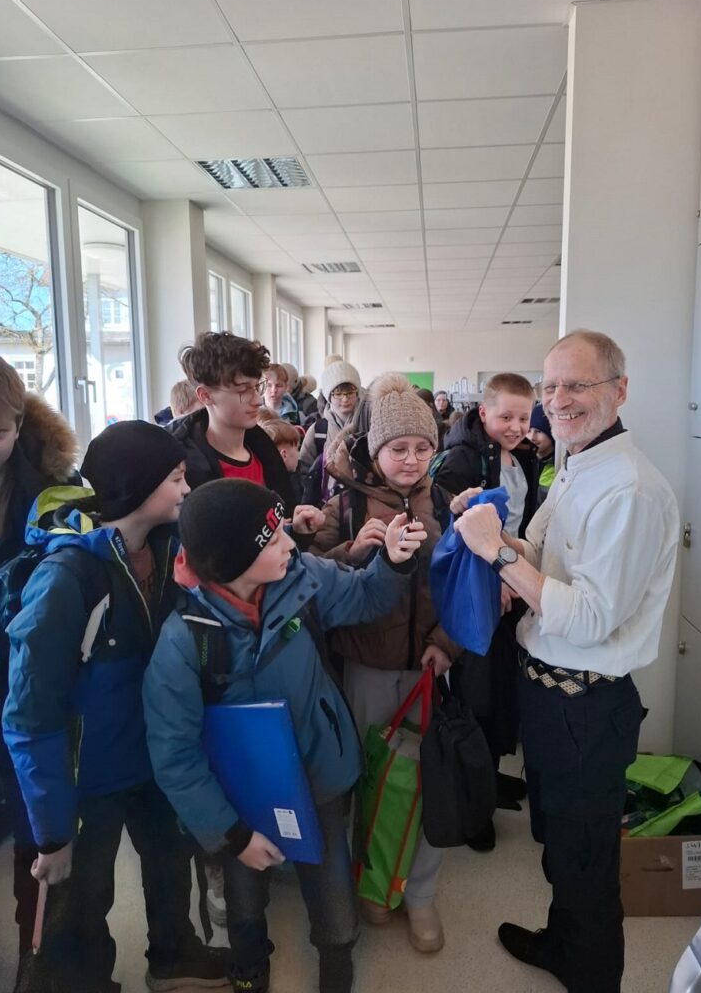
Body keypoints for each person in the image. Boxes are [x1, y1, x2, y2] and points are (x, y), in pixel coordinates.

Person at [452, 330, 679, 993]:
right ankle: (563, 944)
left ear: (619, 390)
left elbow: (589, 617)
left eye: (576, 384)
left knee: (585, 861)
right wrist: (494, 528)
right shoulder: (579, 463)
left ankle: (593, 974)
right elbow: (546, 560)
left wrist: (497, 554)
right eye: (550, 386)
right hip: (549, 695)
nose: (558, 400)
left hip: (586, 705)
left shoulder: (630, 489)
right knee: (558, 843)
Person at [143, 478, 426, 993]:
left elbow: (367, 597)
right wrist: (232, 836)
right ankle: (250, 967)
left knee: (332, 889)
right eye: (272, 539)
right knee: (245, 896)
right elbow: (174, 755)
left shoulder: (303, 578)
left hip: (317, 773)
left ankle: (336, 963)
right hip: (238, 797)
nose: (289, 544)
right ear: (231, 562)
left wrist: (392, 562)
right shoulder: (184, 641)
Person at [2, 421, 229, 993]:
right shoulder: (66, 577)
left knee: (170, 866)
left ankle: (173, 956)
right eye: (175, 478)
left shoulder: (169, 549)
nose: (186, 489)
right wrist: (52, 831)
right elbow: (30, 715)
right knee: (83, 900)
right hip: (89, 779)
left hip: (153, 757)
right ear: (134, 488)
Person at [309, 373, 460, 954]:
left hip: (429, 666)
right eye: (399, 447)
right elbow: (309, 579)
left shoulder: (444, 503)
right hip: (366, 664)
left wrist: (447, 643)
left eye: (423, 447)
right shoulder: (344, 505)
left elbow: (465, 587)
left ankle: (420, 892)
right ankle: (373, 881)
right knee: (368, 777)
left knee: (424, 780)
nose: (411, 459)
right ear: (375, 449)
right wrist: (354, 550)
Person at [0, 350, 79, 983]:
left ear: (19, 425)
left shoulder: (55, 491)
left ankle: (37, 960)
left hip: (25, 685)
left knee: (37, 827)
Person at [434, 373, 539, 847]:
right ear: (483, 413)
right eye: (505, 417)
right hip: (484, 590)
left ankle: (491, 779)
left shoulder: (523, 455)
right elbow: (454, 533)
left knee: (502, 691)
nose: (515, 426)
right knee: (477, 694)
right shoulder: (463, 458)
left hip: (513, 584)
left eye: (523, 417)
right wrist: (495, 579)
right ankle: (473, 806)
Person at [169, 332, 295, 509]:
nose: (258, 400)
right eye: (243, 391)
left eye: (257, 387)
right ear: (206, 396)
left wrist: (296, 525)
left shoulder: (264, 450)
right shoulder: (186, 472)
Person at [299, 360, 361, 506]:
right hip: (326, 505)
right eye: (338, 393)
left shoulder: (368, 425)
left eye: (350, 392)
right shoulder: (318, 430)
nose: (345, 399)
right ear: (329, 396)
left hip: (362, 503)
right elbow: (304, 470)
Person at [258, 415, 303, 508]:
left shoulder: (263, 481)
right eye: (297, 448)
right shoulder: (288, 487)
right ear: (284, 455)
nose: (299, 454)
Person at [527, 402, 556, 504]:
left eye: (538, 431)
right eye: (528, 431)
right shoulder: (524, 461)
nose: (532, 437)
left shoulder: (559, 465)